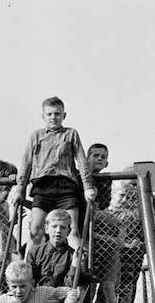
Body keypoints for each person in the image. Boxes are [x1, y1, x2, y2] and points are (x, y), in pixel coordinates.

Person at [9, 96, 96, 250]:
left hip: (66, 186)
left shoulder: (71, 134)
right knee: (36, 230)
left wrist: (88, 186)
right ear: (43, 116)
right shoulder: (36, 136)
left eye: (57, 113)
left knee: (72, 230)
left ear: (64, 115)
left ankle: (78, 268)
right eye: (49, 114)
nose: (53, 117)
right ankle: (27, 269)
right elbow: (26, 164)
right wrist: (19, 189)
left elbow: (81, 161)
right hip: (43, 186)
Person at [86, 143, 120, 303]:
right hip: (84, 230)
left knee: (108, 279)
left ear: (106, 163)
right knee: (87, 277)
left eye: (103, 157)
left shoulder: (105, 181)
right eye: (95, 155)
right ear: (87, 158)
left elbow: (101, 208)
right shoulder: (82, 177)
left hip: (100, 236)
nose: (99, 159)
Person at [109, 178, 145, 303]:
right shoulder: (111, 213)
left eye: (129, 197)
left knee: (129, 284)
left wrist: (139, 243)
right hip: (114, 254)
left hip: (132, 255)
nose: (125, 199)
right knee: (110, 285)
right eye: (122, 195)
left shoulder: (137, 213)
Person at [25, 209, 78, 288]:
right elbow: (28, 280)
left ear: (69, 231)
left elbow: (70, 285)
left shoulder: (72, 256)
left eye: (63, 227)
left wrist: (74, 265)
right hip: (37, 295)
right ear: (46, 228)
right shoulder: (34, 252)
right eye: (54, 226)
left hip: (60, 296)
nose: (58, 231)